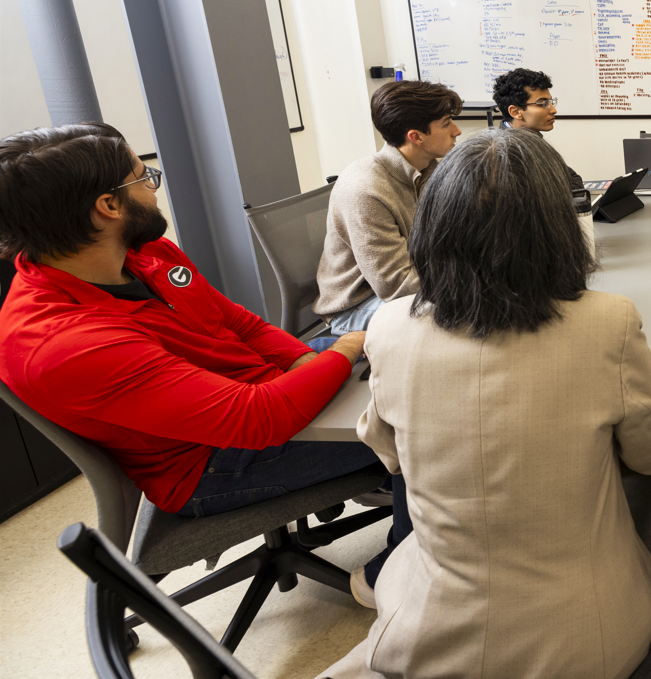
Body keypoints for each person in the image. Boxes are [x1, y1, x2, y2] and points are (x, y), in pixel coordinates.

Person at [324, 128, 651, 679]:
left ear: (434, 227)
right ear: (556, 227)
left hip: (426, 635)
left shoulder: (388, 328)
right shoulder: (609, 321)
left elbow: (391, 457)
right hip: (585, 638)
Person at [0, 124, 403, 575]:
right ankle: (398, 573)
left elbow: (235, 321)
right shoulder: (65, 344)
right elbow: (257, 419)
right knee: (432, 421)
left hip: (262, 394)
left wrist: (305, 362)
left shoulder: (143, 251)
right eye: (143, 179)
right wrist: (340, 354)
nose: (153, 190)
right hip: (213, 464)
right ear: (108, 207)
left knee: (417, 350)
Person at [315, 80, 463, 335]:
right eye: (446, 123)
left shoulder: (429, 168)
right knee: (466, 313)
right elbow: (397, 286)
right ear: (415, 136)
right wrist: (471, 280)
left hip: (419, 283)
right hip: (357, 305)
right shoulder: (366, 190)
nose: (457, 131)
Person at [493, 67, 585, 194]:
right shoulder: (500, 153)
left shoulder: (533, 137)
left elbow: (573, 178)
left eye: (551, 102)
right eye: (543, 104)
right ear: (515, 112)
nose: (553, 110)